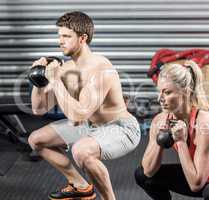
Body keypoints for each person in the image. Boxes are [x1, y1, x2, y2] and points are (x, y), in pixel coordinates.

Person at [28, 11, 141, 200]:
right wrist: (38, 80)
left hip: (121, 128)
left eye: (66, 36)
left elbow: (78, 115)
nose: (60, 41)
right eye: (59, 36)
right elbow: (38, 109)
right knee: (36, 140)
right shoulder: (65, 70)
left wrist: (55, 80)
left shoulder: (100, 67)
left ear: (82, 38)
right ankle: (80, 185)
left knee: (81, 151)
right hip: (89, 127)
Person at [134, 60, 209, 200]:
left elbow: (196, 184)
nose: (160, 98)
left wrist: (181, 142)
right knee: (141, 175)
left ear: (185, 92)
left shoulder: (205, 125)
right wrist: (159, 140)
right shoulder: (160, 120)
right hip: (202, 176)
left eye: (167, 92)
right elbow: (148, 171)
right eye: (159, 91)